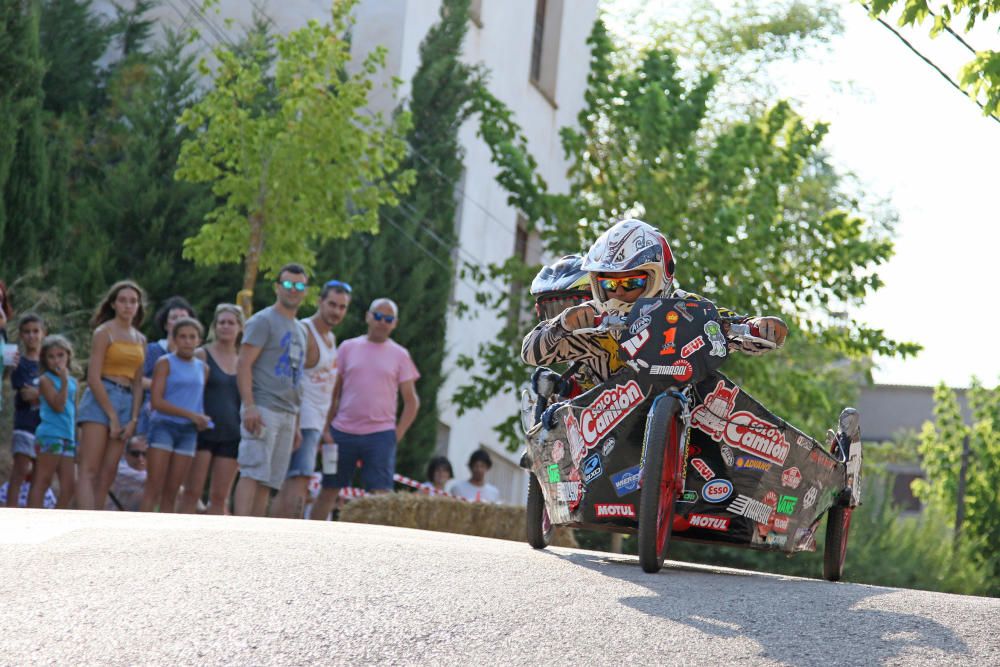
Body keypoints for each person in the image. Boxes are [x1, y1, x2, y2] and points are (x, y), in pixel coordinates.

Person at [521, 218, 788, 381]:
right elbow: (530, 353)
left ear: (658, 277)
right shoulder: (589, 320)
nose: (619, 292)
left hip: (684, 412)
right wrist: (560, 326)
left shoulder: (688, 307)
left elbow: (733, 326)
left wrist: (762, 328)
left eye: (632, 282)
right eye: (609, 283)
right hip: (604, 432)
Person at [310, 297, 420, 521]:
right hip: (342, 431)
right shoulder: (348, 347)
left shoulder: (400, 355)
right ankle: (311, 538)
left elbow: (412, 401)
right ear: (368, 317)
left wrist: (395, 435)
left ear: (395, 323)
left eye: (388, 319)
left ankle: (378, 546)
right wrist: (326, 430)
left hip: (380, 435)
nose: (382, 322)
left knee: (380, 495)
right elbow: (333, 392)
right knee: (329, 490)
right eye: (378, 316)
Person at [234, 264, 308, 517]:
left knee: (270, 480)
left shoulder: (301, 330)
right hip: (263, 406)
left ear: (305, 291)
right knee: (252, 471)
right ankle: (240, 528)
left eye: (299, 286)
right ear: (277, 287)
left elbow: (298, 378)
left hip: (288, 411)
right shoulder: (263, 321)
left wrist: (297, 423)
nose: (293, 290)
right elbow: (243, 363)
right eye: (288, 284)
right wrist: (250, 405)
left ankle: (257, 531)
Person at [275, 280, 351, 519]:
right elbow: (289, 379)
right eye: (332, 304)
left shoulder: (331, 338)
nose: (336, 311)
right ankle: (283, 537)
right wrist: (296, 423)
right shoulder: (305, 331)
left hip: (316, 423)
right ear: (319, 301)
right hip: (302, 419)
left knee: (301, 479)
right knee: (297, 478)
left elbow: (329, 389)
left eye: (342, 307)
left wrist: (326, 428)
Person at [76, 280, 147, 510]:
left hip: (127, 399)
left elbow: (138, 382)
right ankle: (84, 519)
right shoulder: (104, 332)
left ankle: (98, 520)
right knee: (89, 468)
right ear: (114, 304)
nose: (128, 305)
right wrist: (112, 416)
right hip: (102, 396)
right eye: (123, 300)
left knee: (109, 471)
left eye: (133, 301)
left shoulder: (141, 339)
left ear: (138, 306)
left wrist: (133, 418)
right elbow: (93, 377)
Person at [179, 304, 244, 515]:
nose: (225, 327)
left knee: (219, 497)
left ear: (240, 327)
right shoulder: (202, 355)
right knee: (192, 492)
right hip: (203, 431)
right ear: (215, 326)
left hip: (232, 433)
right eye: (221, 322)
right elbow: (188, 390)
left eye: (231, 323)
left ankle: (213, 545)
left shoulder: (244, 361)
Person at [140, 318, 210, 513]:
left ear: (199, 340)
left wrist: (201, 418)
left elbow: (196, 399)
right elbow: (157, 401)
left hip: (188, 431)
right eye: (183, 337)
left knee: (173, 491)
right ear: (174, 339)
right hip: (164, 426)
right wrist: (192, 415)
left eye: (192, 337)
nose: (187, 341)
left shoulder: (203, 368)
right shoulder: (165, 363)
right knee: (153, 487)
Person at [137, 297, 197, 442]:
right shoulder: (152, 350)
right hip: (152, 414)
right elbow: (137, 379)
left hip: (185, 415)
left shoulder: (197, 357)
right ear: (165, 324)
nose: (179, 321)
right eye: (174, 318)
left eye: (183, 317)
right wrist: (163, 387)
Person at [29, 335, 78, 509]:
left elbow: (72, 411)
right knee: (43, 480)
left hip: (68, 436)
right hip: (50, 434)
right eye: (51, 356)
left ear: (68, 356)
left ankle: (56, 519)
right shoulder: (46, 380)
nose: (56, 360)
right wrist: (63, 382)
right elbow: (58, 406)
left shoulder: (73, 382)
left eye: (60, 355)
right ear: (45, 359)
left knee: (69, 486)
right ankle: (31, 520)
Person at [7, 314, 46, 508]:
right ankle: (10, 513)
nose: (32, 336)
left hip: (46, 427)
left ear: (43, 334)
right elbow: (25, 394)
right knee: (20, 470)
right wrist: (46, 394)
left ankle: (32, 514)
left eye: (36, 331)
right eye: (27, 332)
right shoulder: (19, 363)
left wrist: (41, 393)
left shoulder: (50, 363)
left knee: (39, 476)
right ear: (21, 335)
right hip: (25, 423)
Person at [107, 438, 147, 511]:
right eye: (135, 454)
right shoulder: (120, 470)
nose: (140, 458)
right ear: (125, 454)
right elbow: (151, 480)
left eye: (145, 454)